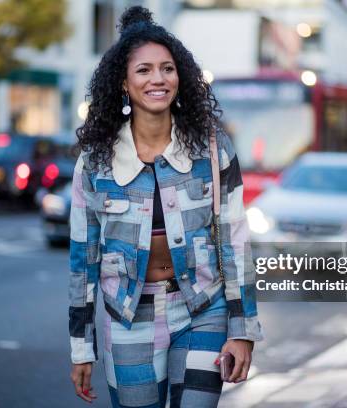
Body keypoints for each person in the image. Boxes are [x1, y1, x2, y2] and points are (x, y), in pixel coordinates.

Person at [68, 6, 263, 407]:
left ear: (181, 77)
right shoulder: (95, 161)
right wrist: (81, 348)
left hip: (202, 310)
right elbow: (81, 260)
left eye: (167, 68)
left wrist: (242, 329)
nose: (157, 79)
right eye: (143, 70)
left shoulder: (212, 149)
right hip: (128, 317)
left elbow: (236, 241)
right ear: (123, 83)